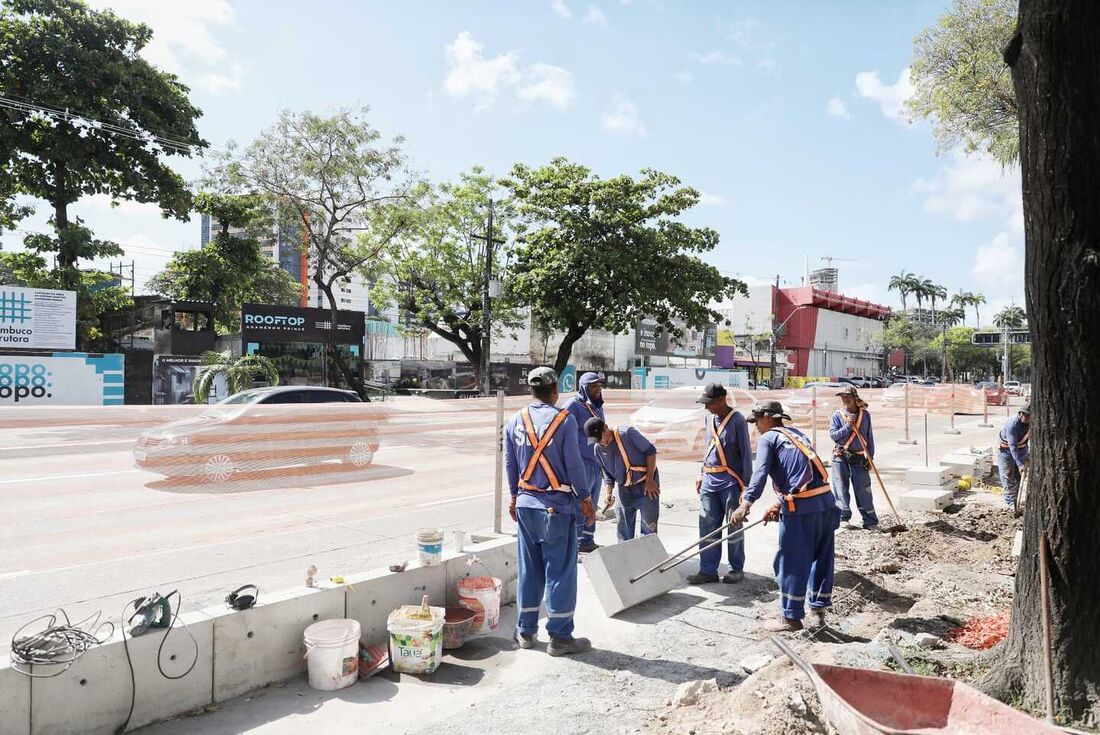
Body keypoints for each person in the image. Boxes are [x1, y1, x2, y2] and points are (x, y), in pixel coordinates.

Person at [503, 366, 596, 655]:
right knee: (560, 571)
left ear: (532, 390)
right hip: (556, 507)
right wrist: (585, 498)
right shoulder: (564, 420)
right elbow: (574, 464)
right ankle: (559, 637)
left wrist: (514, 496)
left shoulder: (514, 420)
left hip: (526, 506)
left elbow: (510, 463)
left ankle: (526, 632)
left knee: (529, 570)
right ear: (555, 389)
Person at [729, 401, 839, 632]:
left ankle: (790, 618)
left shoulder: (768, 438)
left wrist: (745, 505)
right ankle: (818, 613)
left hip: (801, 510)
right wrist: (779, 503)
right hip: (826, 503)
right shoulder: (797, 435)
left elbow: (759, 474)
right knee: (821, 559)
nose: (756, 426)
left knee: (791, 561)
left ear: (767, 417)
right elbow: (803, 476)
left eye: (757, 420)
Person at [688, 383, 753, 586]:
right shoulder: (709, 418)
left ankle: (736, 568)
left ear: (722, 400)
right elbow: (709, 447)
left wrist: (746, 488)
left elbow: (746, 455)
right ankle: (708, 570)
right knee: (707, 525)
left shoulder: (738, 421)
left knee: (733, 525)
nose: (708, 408)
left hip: (730, 481)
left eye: (711, 404)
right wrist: (701, 473)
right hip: (709, 480)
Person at [584, 417, 660, 542]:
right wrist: (608, 492)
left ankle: (648, 559)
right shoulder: (598, 448)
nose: (600, 442)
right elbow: (607, 472)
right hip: (624, 488)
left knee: (649, 529)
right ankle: (627, 558)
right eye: (596, 440)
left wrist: (650, 480)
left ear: (606, 428)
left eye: (600, 438)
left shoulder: (627, 433)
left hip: (646, 485)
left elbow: (651, 452)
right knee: (623, 530)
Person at [565, 372, 606, 553]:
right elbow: (563, 433)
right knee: (580, 504)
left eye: (599, 386)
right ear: (583, 387)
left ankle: (587, 541)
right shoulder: (573, 405)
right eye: (593, 386)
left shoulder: (597, 407)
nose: (597, 389)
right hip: (580, 464)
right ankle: (573, 544)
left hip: (596, 463)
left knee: (593, 504)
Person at [829, 386, 879, 530]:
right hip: (841, 456)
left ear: (854, 397)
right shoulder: (837, 416)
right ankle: (843, 518)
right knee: (840, 487)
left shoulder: (865, 415)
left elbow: (869, 437)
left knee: (863, 489)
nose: (845, 399)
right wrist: (847, 426)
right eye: (842, 397)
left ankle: (870, 521)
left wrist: (870, 456)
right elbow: (833, 435)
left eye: (847, 396)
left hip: (859, 457)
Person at [998, 404, 1031, 508]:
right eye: (1027, 416)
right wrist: (1020, 464)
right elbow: (1012, 446)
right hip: (1006, 450)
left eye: (1030, 416)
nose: (1028, 418)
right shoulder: (1012, 424)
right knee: (1008, 477)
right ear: (1021, 414)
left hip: (1022, 449)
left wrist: (1027, 455)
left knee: (1019, 477)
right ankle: (1011, 503)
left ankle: (1016, 500)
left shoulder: (1032, 423)